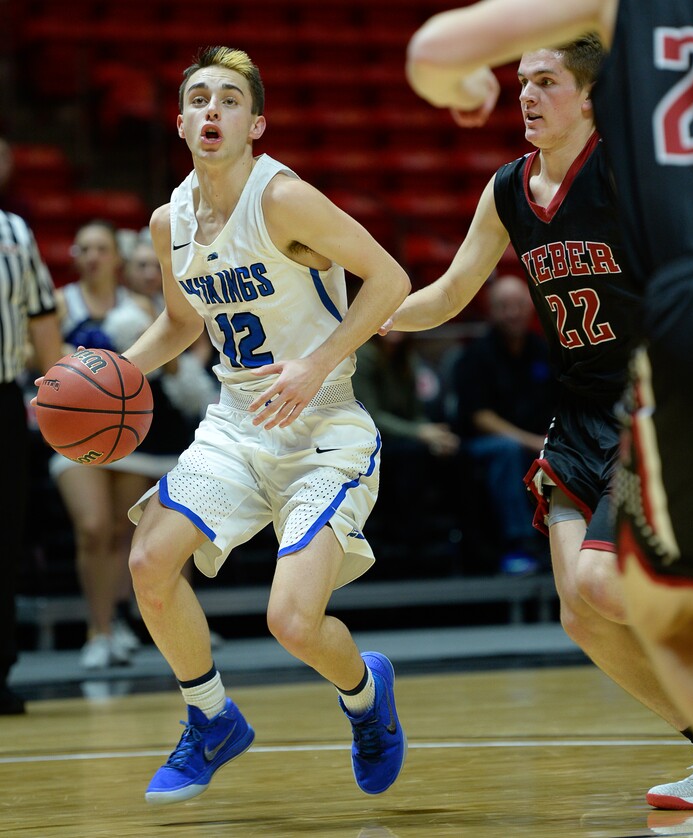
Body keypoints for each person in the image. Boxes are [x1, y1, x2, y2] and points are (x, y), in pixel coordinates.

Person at [405, 0, 693, 810]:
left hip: (649, 399)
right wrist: (369, 317)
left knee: (608, 587)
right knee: (579, 613)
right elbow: (452, 290)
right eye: (521, 80)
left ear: (590, 97)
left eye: (546, 80)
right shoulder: (506, 189)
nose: (528, 95)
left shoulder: (624, 167)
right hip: (578, 413)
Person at [117, 46, 409, 804]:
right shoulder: (168, 221)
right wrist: (115, 372)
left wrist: (316, 361)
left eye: (231, 100)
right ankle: (210, 718)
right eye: (199, 98)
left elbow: (389, 280)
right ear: (180, 122)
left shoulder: (283, 199)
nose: (213, 110)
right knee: (149, 563)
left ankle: (364, 696)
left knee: (292, 622)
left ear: (257, 123)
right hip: (237, 424)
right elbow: (183, 321)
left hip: (323, 429)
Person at [50, 219, 157, 669]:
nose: (92, 256)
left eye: (100, 248)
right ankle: (96, 631)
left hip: (122, 428)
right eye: (83, 248)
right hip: (73, 429)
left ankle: (115, 623)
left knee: (120, 531)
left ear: (117, 256)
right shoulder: (60, 302)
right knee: (93, 528)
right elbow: (48, 363)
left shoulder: (139, 306)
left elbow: (160, 373)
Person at [0, 208, 63, 712]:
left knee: (6, 536)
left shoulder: (15, 230)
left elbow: (42, 317)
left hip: (3, 397)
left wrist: (61, 400)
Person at [451, 275, 554, 574]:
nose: (512, 312)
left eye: (519, 304)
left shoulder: (542, 351)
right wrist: (532, 441)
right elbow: (481, 418)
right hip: (481, 445)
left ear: (531, 307)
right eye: (503, 306)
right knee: (507, 451)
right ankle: (519, 544)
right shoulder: (475, 355)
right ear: (490, 311)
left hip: (538, 440)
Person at [353, 331, 460, 562]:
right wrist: (420, 433)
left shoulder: (407, 358)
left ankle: (460, 542)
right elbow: (369, 416)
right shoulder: (363, 355)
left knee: (454, 451)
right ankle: (408, 541)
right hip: (367, 442)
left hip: (404, 438)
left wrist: (435, 436)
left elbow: (416, 413)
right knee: (412, 455)